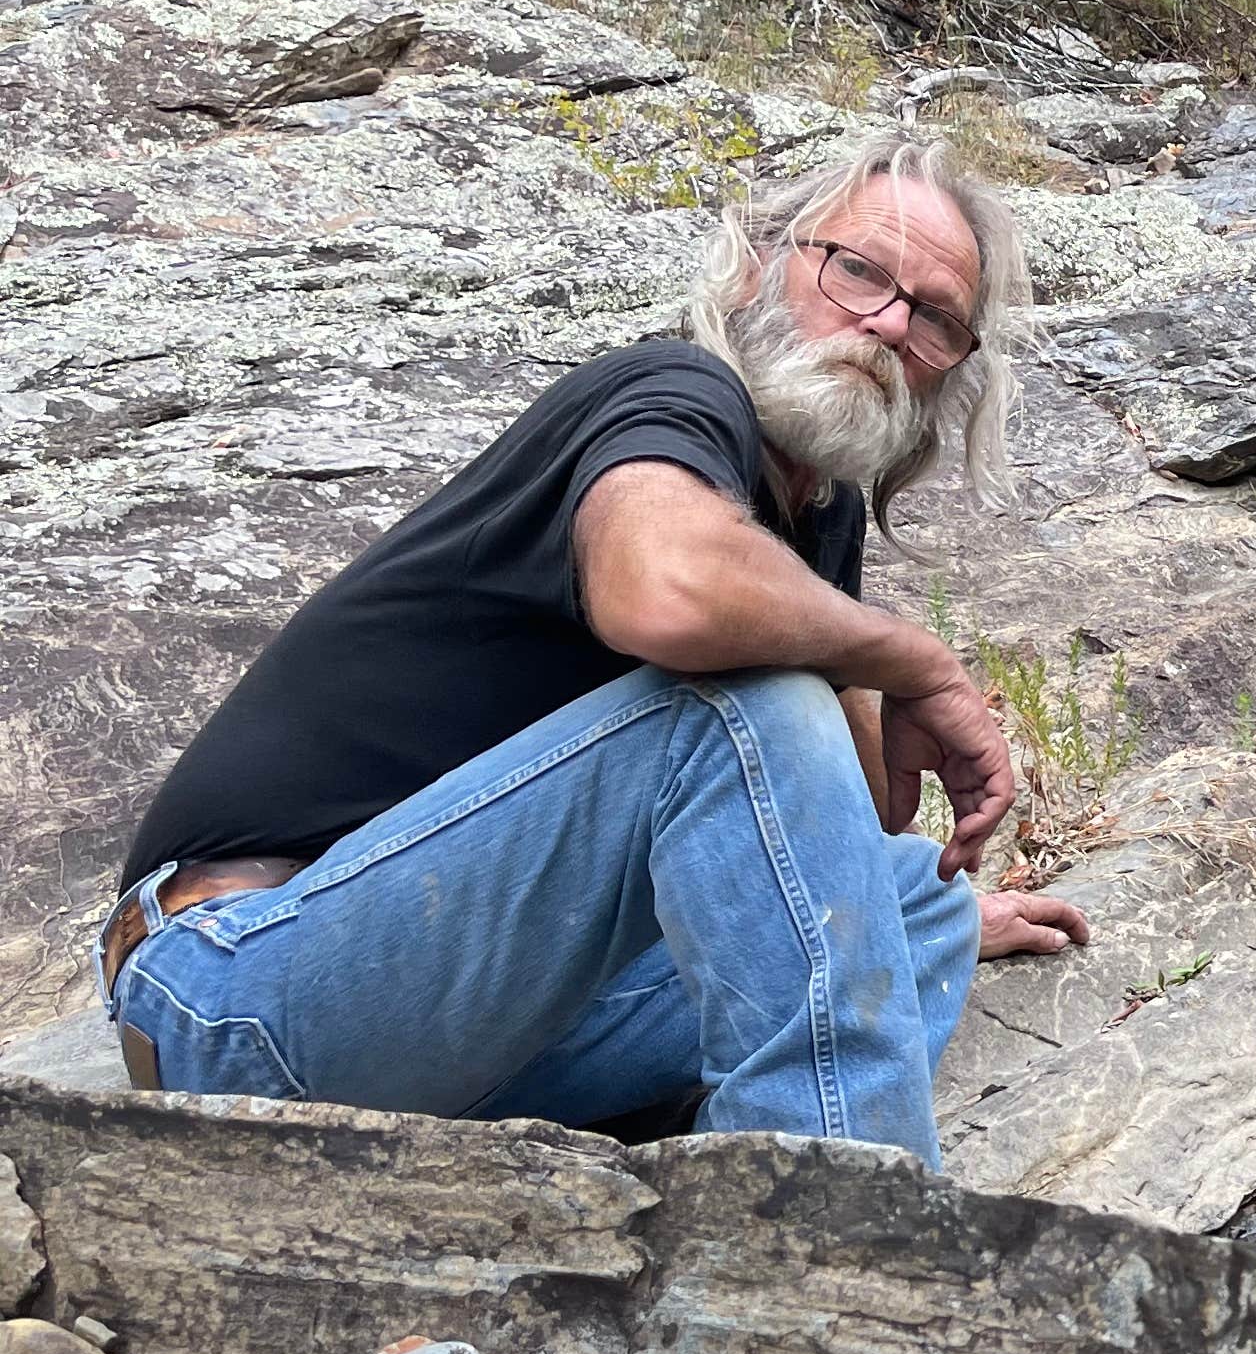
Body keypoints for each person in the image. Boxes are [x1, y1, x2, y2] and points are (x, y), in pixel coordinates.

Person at [93, 128, 1090, 1165]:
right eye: (856, 270)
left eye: (934, 319)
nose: (886, 325)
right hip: (241, 993)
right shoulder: (672, 395)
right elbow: (664, 594)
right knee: (737, 708)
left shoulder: (810, 512)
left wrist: (896, 912)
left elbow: (832, 829)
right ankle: (841, 1257)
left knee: (917, 899)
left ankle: (714, 1207)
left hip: (489, 1032)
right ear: (759, 263)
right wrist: (914, 660)